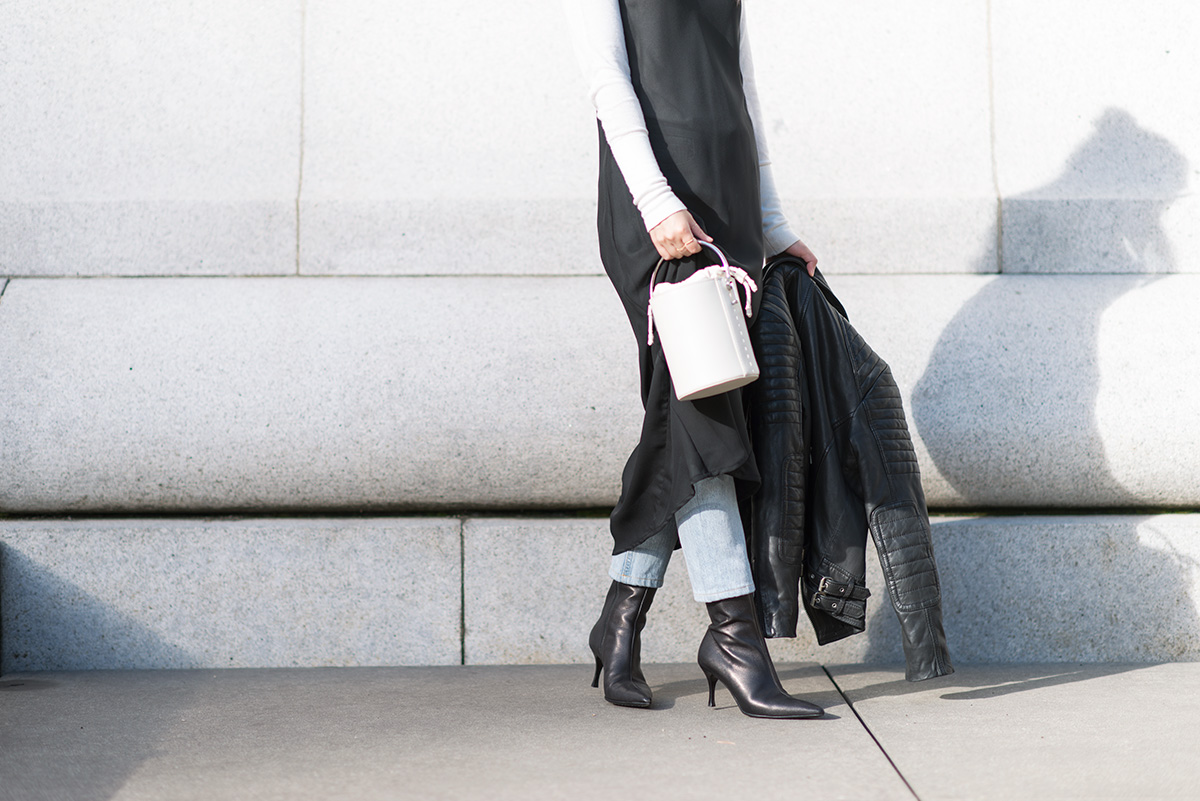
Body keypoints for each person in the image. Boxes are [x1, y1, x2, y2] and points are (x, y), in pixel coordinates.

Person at [565, 0, 823, 719]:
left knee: (683, 418)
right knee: (704, 419)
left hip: (729, 197)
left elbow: (742, 84)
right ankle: (735, 640)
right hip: (661, 208)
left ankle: (619, 620)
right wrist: (654, 199)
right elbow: (606, 79)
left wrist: (772, 224)